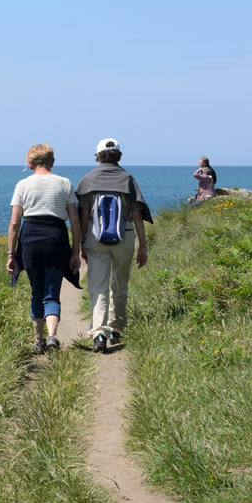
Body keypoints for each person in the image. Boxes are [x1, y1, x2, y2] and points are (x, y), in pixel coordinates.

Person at [75, 138, 152, 353]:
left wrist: (81, 243)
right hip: (125, 238)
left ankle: (99, 332)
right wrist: (143, 246)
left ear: (98, 155)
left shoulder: (88, 180)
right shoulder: (127, 179)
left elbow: (83, 215)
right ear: (118, 155)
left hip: (95, 239)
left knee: (98, 285)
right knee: (119, 284)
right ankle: (117, 327)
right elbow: (137, 215)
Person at [7, 144, 82, 354]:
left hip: (30, 239)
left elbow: (14, 223)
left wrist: (11, 254)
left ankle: (38, 340)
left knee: (36, 292)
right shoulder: (64, 183)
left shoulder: (22, 185)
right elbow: (74, 221)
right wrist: (75, 251)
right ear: (52, 162)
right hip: (55, 239)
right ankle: (52, 337)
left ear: (29, 163)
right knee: (51, 293)